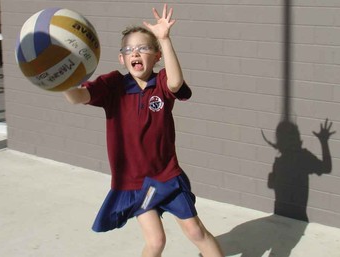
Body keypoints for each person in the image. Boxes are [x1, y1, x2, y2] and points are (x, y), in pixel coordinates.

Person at [64, 4, 224, 257]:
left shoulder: (161, 83)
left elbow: (175, 82)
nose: (135, 53)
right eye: (129, 49)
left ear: (157, 56)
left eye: (143, 48)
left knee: (195, 232)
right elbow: (77, 97)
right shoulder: (113, 84)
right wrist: (62, 78)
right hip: (135, 183)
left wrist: (164, 38)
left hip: (166, 176)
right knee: (156, 241)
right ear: (122, 58)